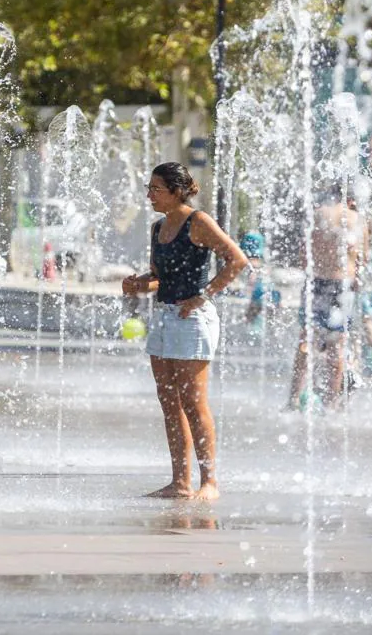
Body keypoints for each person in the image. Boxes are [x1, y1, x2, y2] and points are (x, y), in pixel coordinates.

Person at [121, 162, 248, 501]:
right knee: (169, 401)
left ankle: (209, 483)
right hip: (164, 315)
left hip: (193, 318)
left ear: (176, 191)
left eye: (155, 189)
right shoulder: (157, 227)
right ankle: (179, 482)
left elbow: (237, 260)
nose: (149, 195)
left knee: (193, 402)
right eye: (149, 188)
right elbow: (158, 276)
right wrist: (138, 284)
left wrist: (203, 295)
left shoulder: (198, 222)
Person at [286, 184, 365, 411]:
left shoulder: (318, 214)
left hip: (317, 282)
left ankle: (293, 399)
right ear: (350, 199)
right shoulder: (357, 219)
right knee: (336, 346)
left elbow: (304, 255)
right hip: (343, 285)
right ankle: (332, 402)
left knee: (306, 340)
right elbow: (362, 260)